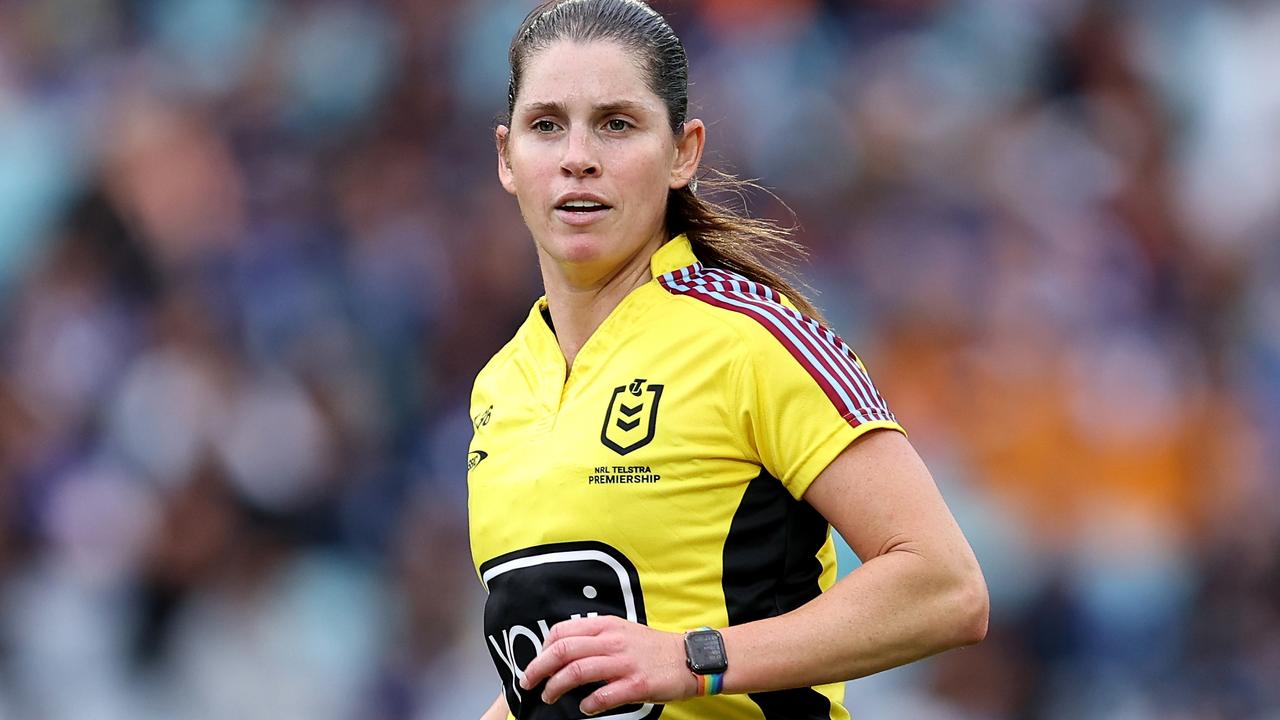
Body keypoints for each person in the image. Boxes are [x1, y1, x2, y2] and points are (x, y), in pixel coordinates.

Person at [468, 1, 988, 718]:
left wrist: (693, 658)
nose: (576, 156)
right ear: (506, 158)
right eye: (546, 125)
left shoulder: (754, 338)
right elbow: (559, 680)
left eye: (617, 124)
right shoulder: (501, 384)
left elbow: (946, 587)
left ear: (683, 152)